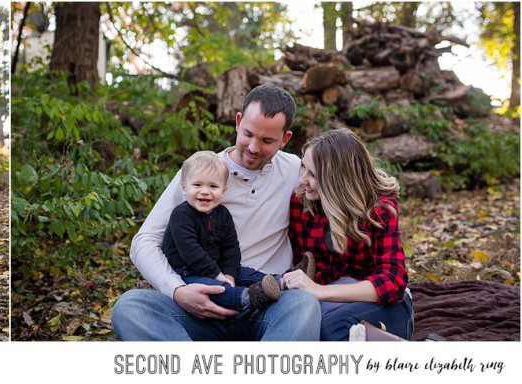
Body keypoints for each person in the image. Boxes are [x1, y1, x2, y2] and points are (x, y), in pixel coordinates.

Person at [112, 84, 321, 341]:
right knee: (131, 307)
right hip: (200, 307)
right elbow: (144, 242)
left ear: (285, 139)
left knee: (303, 305)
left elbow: (344, 187)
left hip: (266, 307)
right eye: (248, 134)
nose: (254, 148)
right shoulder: (201, 175)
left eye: (267, 141)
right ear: (237, 121)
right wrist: (177, 291)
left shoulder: (295, 172)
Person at [283, 129, 413, 341]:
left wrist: (320, 291)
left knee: (333, 329)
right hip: (328, 301)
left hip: (379, 304)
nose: (301, 181)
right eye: (303, 168)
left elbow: (392, 282)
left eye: (313, 174)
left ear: (338, 179)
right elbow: (302, 264)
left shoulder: (379, 210)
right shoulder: (302, 203)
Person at [163, 151, 310, 313]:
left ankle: (285, 281)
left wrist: (230, 273)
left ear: (223, 190)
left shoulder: (222, 214)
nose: (205, 191)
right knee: (216, 289)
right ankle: (247, 298)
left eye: (213, 186)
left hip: (217, 267)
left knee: (248, 274)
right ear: (184, 188)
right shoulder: (181, 215)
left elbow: (231, 247)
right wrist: (217, 275)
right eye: (197, 185)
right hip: (188, 273)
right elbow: (190, 250)